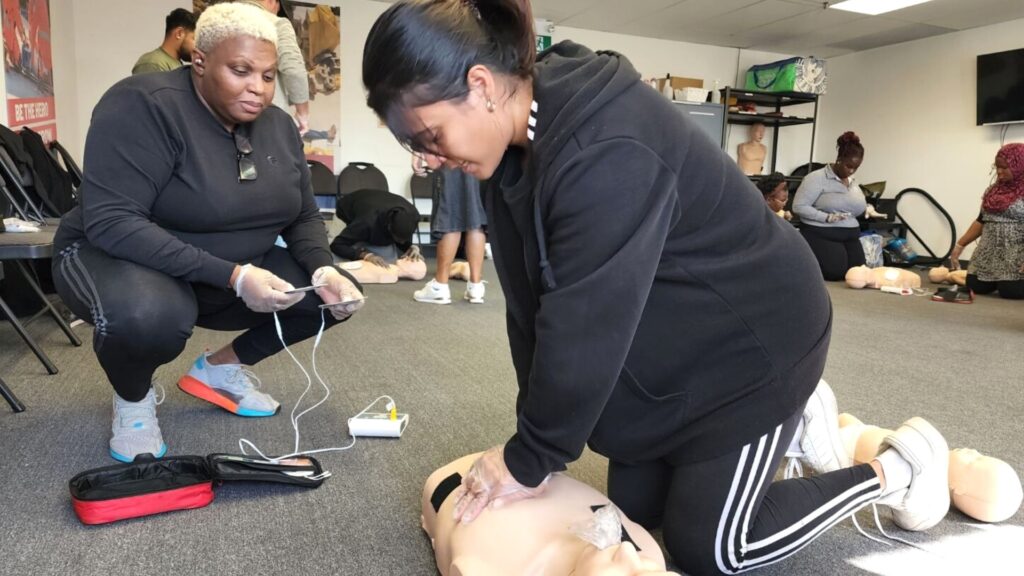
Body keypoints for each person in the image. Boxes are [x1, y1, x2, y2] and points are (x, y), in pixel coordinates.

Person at [362, 2, 949, 574]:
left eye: (429, 136)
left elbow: (584, 325)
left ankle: (894, 470)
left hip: (758, 341)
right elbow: (532, 308)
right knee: (636, 519)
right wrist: (533, 448)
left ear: (482, 84)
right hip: (681, 338)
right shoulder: (511, 148)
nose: (427, 160)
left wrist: (529, 458)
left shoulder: (605, 151)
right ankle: (798, 426)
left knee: (713, 549)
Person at [52, 3, 363, 464]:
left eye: (267, 75)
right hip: (120, 258)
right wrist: (236, 276)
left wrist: (323, 268)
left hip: (222, 268)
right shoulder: (142, 106)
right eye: (240, 71)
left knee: (326, 297)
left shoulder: (276, 126)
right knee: (147, 317)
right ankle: (133, 399)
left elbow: (301, 216)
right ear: (199, 61)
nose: (257, 89)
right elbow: (113, 222)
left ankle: (219, 371)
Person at [423, 453, 676, 576]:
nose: (628, 551)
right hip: (521, 477)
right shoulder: (647, 550)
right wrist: (530, 456)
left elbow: (464, 566)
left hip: (450, 487)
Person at [949, 143, 1024, 300]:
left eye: (1004, 167)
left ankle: (1005, 281)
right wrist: (959, 246)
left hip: (1016, 254)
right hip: (988, 253)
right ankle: (998, 279)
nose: (999, 172)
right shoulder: (992, 191)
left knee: (1011, 292)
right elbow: (980, 221)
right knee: (974, 286)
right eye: (997, 167)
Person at [792, 132, 868, 281]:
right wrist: (826, 217)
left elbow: (854, 206)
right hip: (822, 232)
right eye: (849, 166)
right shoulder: (816, 178)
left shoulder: (852, 182)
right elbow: (799, 206)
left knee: (858, 273)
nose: (851, 171)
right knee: (835, 273)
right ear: (839, 159)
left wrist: (867, 208)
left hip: (850, 235)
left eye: (856, 167)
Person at [411, 156, 487, 304]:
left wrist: (419, 150)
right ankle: (476, 286)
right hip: (481, 151)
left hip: (452, 150)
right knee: (475, 214)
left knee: (450, 210)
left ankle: (440, 285)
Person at [238, 0, 312, 133]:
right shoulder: (276, 23)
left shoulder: (220, 21)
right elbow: (293, 69)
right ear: (273, 2)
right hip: (265, 120)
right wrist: (303, 114)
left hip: (221, 120)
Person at [329, 188, 422, 266]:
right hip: (346, 213)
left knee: (387, 263)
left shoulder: (413, 216)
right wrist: (365, 255)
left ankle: (362, 246)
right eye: (397, 238)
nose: (401, 242)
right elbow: (337, 245)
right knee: (335, 262)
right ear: (389, 227)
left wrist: (410, 247)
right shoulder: (366, 222)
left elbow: (402, 237)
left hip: (373, 210)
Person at [131, 8, 196, 75]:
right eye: (195, 39)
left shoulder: (176, 65)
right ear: (179, 33)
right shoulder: (152, 63)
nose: (198, 47)